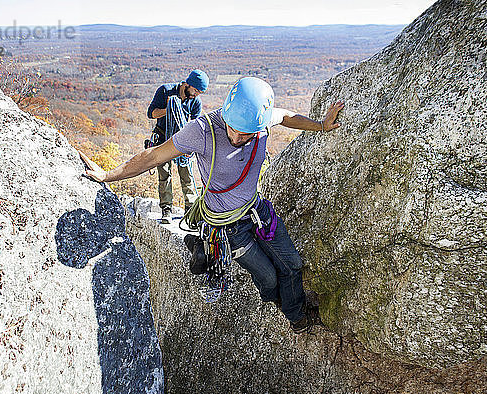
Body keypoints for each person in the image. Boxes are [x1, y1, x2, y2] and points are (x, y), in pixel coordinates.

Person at [81, 77, 344, 333]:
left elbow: (286, 116)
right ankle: (282, 303)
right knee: (268, 278)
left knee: (293, 265)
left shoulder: (258, 118)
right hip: (227, 227)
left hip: (257, 211)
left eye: (247, 134)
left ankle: (297, 316)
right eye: (234, 129)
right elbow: (155, 155)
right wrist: (108, 175)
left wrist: (321, 126)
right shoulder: (203, 131)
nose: (238, 137)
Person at [147, 69, 209, 223]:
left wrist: (192, 146)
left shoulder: (195, 102)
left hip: (183, 141)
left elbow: (195, 125)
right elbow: (151, 113)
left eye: (199, 92)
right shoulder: (165, 91)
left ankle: (190, 210)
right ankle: (166, 209)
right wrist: (169, 109)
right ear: (187, 84)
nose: (196, 95)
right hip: (162, 138)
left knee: (186, 175)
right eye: (195, 90)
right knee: (164, 175)